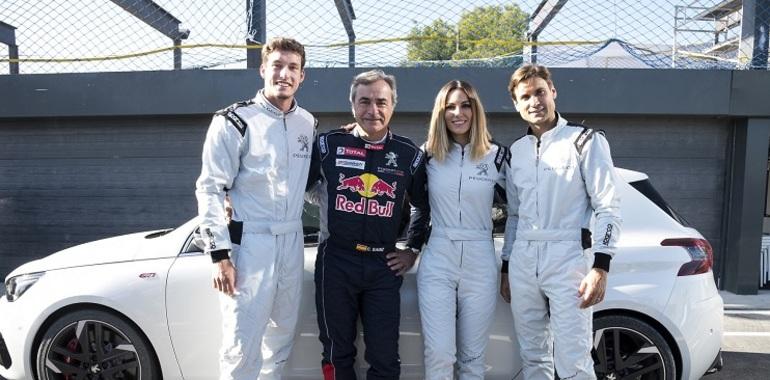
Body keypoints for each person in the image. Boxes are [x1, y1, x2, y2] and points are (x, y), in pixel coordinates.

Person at [195, 37, 316, 380]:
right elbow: (209, 188)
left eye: (293, 67)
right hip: (249, 245)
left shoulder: (308, 123)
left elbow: (310, 186)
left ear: (302, 76)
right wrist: (219, 255)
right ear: (263, 69)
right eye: (277, 65)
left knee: (279, 345)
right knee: (240, 346)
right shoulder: (233, 120)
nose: (284, 74)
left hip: (291, 243)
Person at [500, 64, 622, 379]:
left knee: (574, 359)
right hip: (523, 262)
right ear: (517, 104)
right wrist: (506, 266)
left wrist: (601, 266)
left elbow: (608, 207)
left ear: (553, 92)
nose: (534, 102)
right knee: (533, 357)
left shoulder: (585, 140)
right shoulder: (515, 152)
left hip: (569, 258)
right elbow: (514, 215)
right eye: (525, 96)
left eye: (540, 92)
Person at [306, 69, 430, 380]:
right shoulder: (327, 145)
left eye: (380, 102)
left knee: (385, 357)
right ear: (352, 105)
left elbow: (423, 206)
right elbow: (299, 187)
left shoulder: (409, 153)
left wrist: (412, 248)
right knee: (336, 353)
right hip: (336, 260)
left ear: (392, 106)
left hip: (383, 265)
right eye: (364, 102)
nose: (372, 110)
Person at [417, 80, 508, 379]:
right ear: (440, 114)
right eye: (450, 107)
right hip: (438, 256)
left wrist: (509, 263)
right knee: (440, 355)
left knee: (472, 359)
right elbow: (412, 205)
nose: (458, 113)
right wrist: (411, 248)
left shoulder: (498, 156)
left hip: (480, 256)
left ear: (476, 109)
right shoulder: (426, 155)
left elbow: (522, 210)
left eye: (465, 105)